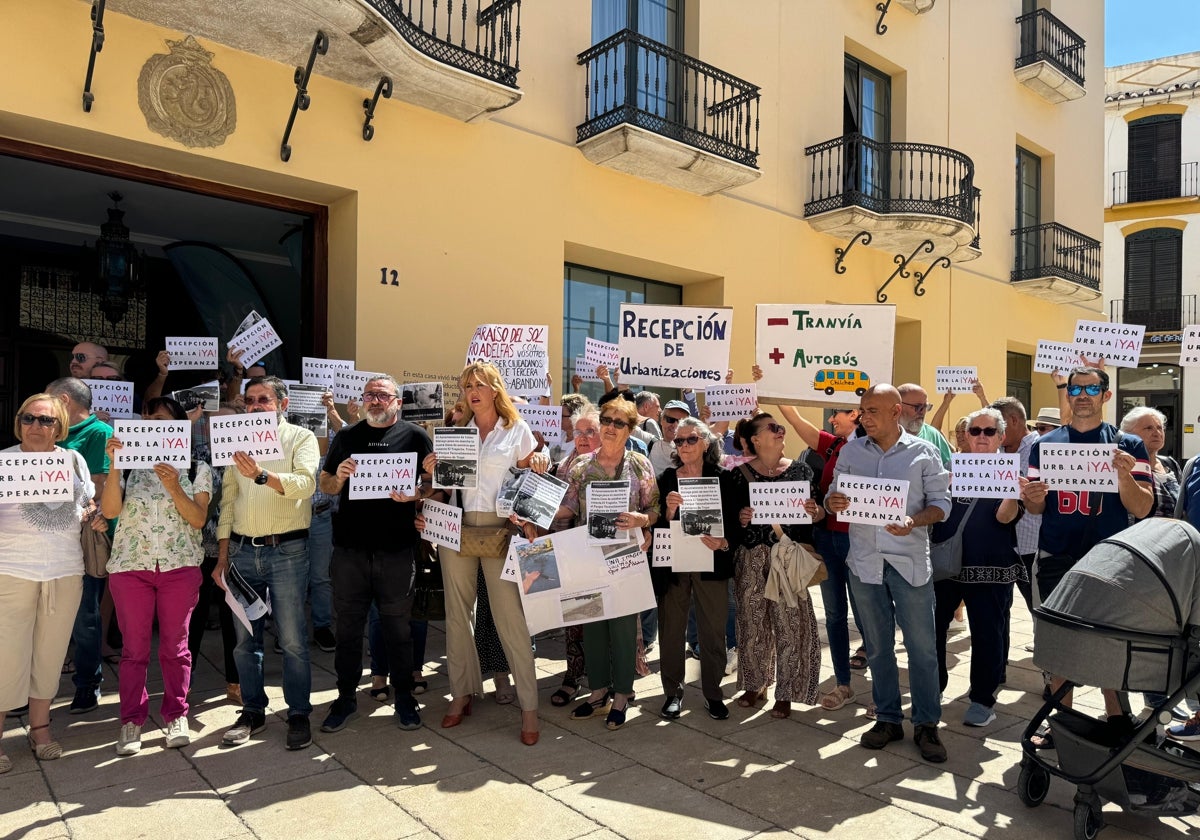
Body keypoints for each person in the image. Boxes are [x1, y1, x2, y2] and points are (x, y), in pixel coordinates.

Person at [1022, 366, 1153, 742]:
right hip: (1056, 554)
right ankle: (1062, 721)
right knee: (1059, 641)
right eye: (1076, 388)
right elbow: (1035, 509)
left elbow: (1142, 508)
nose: (1082, 394)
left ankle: (1116, 718)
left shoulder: (1127, 445)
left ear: (1106, 396)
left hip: (1109, 558)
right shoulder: (1045, 445)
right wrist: (1033, 499)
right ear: (1069, 394)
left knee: (1109, 639)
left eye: (1092, 388)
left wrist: (1124, 477)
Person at [419, 362, 546, 746]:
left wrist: (537, 464)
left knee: (510, 618)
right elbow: (443, 489)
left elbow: (531, 484)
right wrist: (430, 475)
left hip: (501, 528)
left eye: (479, 384)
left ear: (495, 389)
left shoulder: (517, 430)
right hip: (456, 527)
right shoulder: (457, 433)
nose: (472, 391)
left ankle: (528, 706)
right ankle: (461, 693)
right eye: (467, 385)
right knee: (457, 616)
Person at [826, 384, 952, 763]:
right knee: (878, 647)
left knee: (922, 650)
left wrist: (914, 520)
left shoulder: (924, 452)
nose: (864, 417)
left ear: (897, 411)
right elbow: (837, 495)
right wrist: (834, 501)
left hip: (908, 563)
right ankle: (888, 718)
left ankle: (927, 724)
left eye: (872, 411)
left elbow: (942, 504)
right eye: (862, 411)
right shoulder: (851, 451)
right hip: (865, 564)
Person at [317, 374, 431, 733]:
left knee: (398, 627)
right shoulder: (347, 436)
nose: (375, 400)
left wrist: (416, 494)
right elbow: (325, 483)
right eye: (370, 394)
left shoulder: (415, 437)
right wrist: (340, 478)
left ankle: (405, 697)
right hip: (350, 550)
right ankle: (346, 697)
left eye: (383, 395)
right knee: (348, 627)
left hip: (396, 549)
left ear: (398, 401)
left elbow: (435, 483)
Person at [213, 376, 319, 750]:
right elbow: (227, 501)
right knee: (244, 641)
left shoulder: (300, 438)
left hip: (287, 551)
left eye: (264, 400)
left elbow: (306, 484)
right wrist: (223, 556)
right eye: (250, 400)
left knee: (291, 640)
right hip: (242, 552)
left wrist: (260, 474)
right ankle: (252, 712)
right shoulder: (235, 439)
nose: (256, 406)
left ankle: (298, 713)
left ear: (283, 404)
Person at [101, 397, 211, 755]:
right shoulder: (130, 467)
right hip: (132, 567)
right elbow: (111, 510)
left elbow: (197, 519)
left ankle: (176, 714)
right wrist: (116, 466)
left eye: (159, 418)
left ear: (178, 425)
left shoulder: (196, 466)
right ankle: (131, 721)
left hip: (179, 567)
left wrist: (174, 485)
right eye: (145, 417)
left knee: (175, 648)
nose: (150, 423)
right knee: (133, 651)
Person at [0, 394, 95, 770]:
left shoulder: (74, 460)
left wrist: (94, 515)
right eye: (28, 418)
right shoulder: (3, 462)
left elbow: (86, 504)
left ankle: (40, 729)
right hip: (11, 570)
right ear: (18, 422)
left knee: (51, 653)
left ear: (61, 426)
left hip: (65, 569)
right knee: (6, 655)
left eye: (46, 421)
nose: (36, 426)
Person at [760, 390, 868, 712]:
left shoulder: (874, 448)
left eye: (839, 412)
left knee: (869, 615)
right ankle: (843, 684)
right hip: (827, 540)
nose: (832, 418)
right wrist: (774, 382)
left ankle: (883, 690)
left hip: (861, 542)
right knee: (834, 615)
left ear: (858, 415)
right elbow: (793, 417)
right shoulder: (831, 445)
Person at [558, 396, 659, 731]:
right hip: (586, 557)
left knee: (622, 627)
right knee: (592, 626)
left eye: (619, 422)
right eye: (607, 420)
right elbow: (568, 508)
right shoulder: (581, 466)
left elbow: (655, 509)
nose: (611, 427)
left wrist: (643, 520)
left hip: (624, 557)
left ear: (630, 429)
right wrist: (527, 512)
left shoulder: (639, 464)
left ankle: (622, 694)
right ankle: (598, 690)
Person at [932, 408, 1025, 728]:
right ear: (966, 436)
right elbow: (933, 510)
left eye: (989, 431)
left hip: (990, 565)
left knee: (987, 632)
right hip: (946, 565)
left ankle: (983, 698)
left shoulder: (1011, 471)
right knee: (932, 628)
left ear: (1001, 437)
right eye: (975, 431)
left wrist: (1013, 491)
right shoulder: (948, 468)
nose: (982, 437)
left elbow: (1004, 518)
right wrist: (944, 485)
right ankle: (934, 686)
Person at [727, 412, 823, 719]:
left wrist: (815, 510)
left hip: (788, 557)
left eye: (781, 427)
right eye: (774, 428)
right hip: (752, 556)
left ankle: (786, 691)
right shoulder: (738, 474)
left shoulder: (801, 470)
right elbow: (729, 522)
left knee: (790, 624)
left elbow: (818, 514)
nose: (781, 431)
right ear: (755, 439)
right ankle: (754, 684)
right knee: (752, 623)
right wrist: (741, 517)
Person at [654, 417, 738, 720]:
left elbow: (736, 526)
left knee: (713, 630)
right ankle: (672, 692)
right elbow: (656, 524)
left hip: (710, 564)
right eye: (679, 440)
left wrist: (724, 542)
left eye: (691, 439)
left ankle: (713, 693)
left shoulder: (724, 478)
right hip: (675, 565)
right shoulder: (666, 477)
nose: (684, 445)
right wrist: (669, 510)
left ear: (706, 443)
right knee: (672, 629)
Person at [45, 376, 113, 715]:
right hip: (41, 540)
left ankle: (88, 684)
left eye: (47, 403)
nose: (42, 415)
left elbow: (99, 484)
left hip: (77, 536)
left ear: (64, 400)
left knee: (85, 616)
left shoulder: (98, 433)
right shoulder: (47, 434)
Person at [1120, 406, 1179, 519]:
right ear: (1128, 434)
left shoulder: (1170, 464)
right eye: (1148, 428)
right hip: (1138, 534)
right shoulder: (1124, 466)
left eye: (1159, 428)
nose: (1157, 433)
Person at [897, 383, 952, 468]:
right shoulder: (884, 434)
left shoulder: (933, 435)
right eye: (917, 407)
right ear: (899, 407)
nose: (922, 412)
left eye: (925, 407)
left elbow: (949, 469)